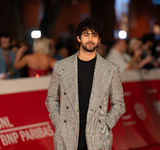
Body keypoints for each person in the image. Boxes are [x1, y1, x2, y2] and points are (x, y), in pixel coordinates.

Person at [45, 17, 125, 150]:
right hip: (67, 133)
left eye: (94, 35)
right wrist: (59, 123)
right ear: (78, 38)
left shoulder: (111, 69)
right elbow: (51, 99)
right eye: (86, 35)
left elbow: (119, 104)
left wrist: (106, 124)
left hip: (98, 135)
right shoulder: (61, 67)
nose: (90, 39)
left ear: (99, 40)